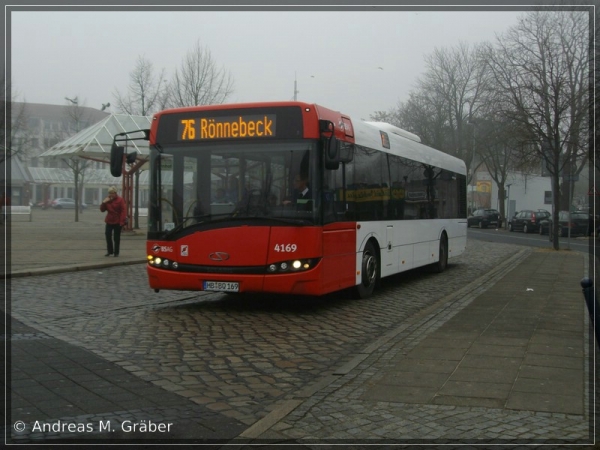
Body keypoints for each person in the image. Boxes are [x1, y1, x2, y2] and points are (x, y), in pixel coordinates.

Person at [100, 186, 127, 257]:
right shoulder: (107, 200)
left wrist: (122, 222)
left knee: (116, 237)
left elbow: (123, 211)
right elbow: (102, 210)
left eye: (112, 193)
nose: (110, 195)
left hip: (117, 221)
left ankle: (116, 252)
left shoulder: (120, 200)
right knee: (108, 235)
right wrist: (103, 203)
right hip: (109, 220)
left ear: (115, 193)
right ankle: (109, 251)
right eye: (109, 193)